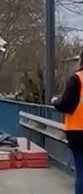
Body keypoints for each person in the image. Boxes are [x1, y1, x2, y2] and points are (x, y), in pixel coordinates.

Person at [52, 51, 83, 194]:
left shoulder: (77, 79)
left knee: (81, 173)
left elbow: (67, 104)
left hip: (79, 132)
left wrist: (56, 102)